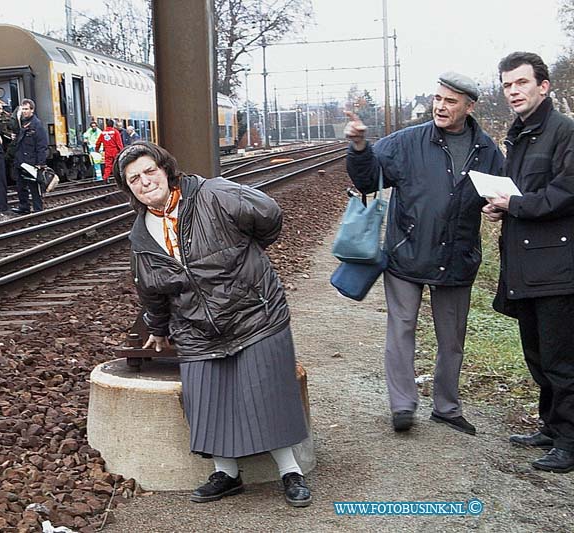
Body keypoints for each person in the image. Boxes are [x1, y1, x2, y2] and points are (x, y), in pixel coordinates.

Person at [114, 141, 313, 507]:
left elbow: (269, 215)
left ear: (165, 169)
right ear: (128, 190)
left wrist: (248, 256)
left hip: (255, 313)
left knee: (268, 394)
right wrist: (158, 329)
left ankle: (291, 472)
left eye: (149, 171)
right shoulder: (141, 234)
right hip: (196, 328)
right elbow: (150, 289)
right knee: (208, 400)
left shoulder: (213, 194)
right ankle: (227, 474)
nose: (145, 182)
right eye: (134, 179)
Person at [344, 72, 504, 435]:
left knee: (452, 338)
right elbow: (368, 180)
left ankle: (447, 407)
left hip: (458, 255)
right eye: (437, 99)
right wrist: (359, 149)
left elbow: (498, 196)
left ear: (469, 106)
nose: (440, 106)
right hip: (407, 252)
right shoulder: (405, 143)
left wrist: (499, 208)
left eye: (450, 101)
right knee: (401, 327)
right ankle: (402, 404)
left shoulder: (488, 151)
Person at [483, 52, 574, 474]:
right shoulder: (519, 136)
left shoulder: (565, 132)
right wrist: (504, 207)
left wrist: (514, 203)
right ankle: (551, 428)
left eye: (521, 83)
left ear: (544, 86)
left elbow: (564, 194)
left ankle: (570, 442)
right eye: (507, 85)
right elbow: (525, 195)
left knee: (561, 359)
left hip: (557, 267)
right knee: (537, 355)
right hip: (525, 264)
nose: (513, 92)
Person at [12, 99, 49, 214]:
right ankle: (24, 207)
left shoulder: (36, 124)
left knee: (34, 186)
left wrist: (40, 163)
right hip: (20, 160)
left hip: (31, 162)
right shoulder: (20, 124)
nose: (24, 111)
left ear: (32, 110)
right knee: (20, 185)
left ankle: (38, 209)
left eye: (26, 109)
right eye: (22, 109)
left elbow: (42, 145)